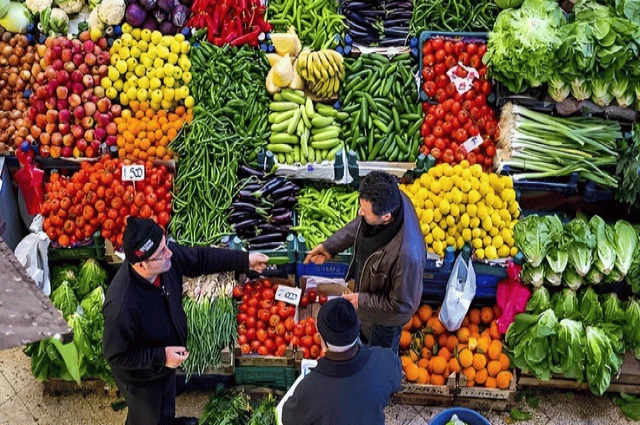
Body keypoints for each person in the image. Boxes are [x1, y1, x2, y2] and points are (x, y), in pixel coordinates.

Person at [103, 217, 269, 425]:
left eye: (166, 245)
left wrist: (244, 260)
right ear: (142, 264)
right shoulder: (122, 306)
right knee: (148, 417)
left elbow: (200, 258)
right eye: (162, 253)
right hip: (142, 377)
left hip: (166, 359)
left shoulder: (164, 263)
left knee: (166, 404)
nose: (170, 253)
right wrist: (161, 357)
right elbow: (116, 357)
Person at [304, 171, 425, 353]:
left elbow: (403, 308)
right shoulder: (393, 197)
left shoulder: (407, 257)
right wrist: (331, 246)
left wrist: (362, 300)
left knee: (378, 356)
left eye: (365, 211)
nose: (360, 212)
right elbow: (362, 223)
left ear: (386, 217)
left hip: (384, 322)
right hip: (370, 298)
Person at [281, 298, 402, 425]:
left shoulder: (308, 390)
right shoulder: (386, 361)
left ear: (321, 338)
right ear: (356, 330)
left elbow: (288, 419)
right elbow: (395, 384)